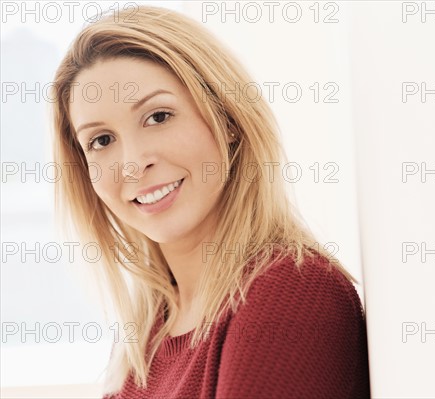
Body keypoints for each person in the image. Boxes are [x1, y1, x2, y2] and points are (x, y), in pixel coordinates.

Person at [52, 5, 371, 398]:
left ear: (229, 119)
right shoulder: (148, 332)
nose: (133, 165)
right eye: (101, 140)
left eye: (158, 116)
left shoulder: (292, 292)